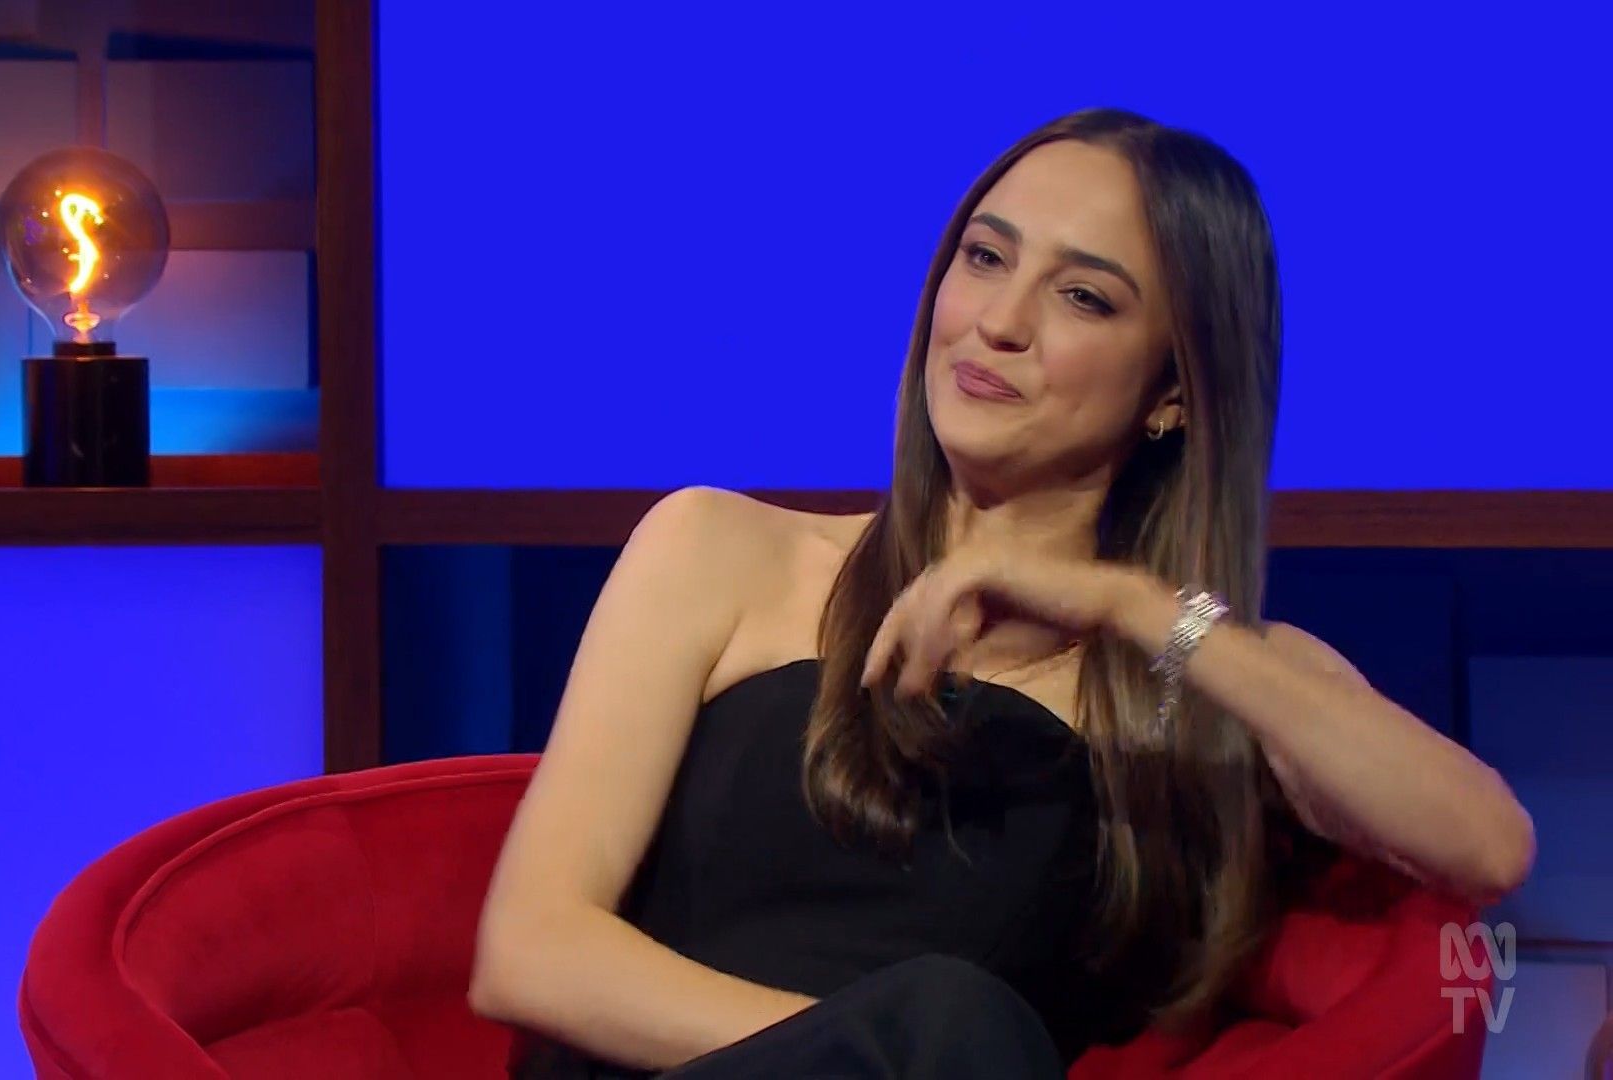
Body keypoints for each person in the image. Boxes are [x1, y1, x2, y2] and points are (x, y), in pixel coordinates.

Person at [466, 106, 1536, 1078]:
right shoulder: (719, 548)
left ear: (1173, 390)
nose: (999, 321)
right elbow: (529, 952)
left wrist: (1128, 607)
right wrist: (885, 1057)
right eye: (985, 258)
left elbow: (1489, 846)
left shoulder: (1202, 671)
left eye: (1083, 296)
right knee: (950, 1021)